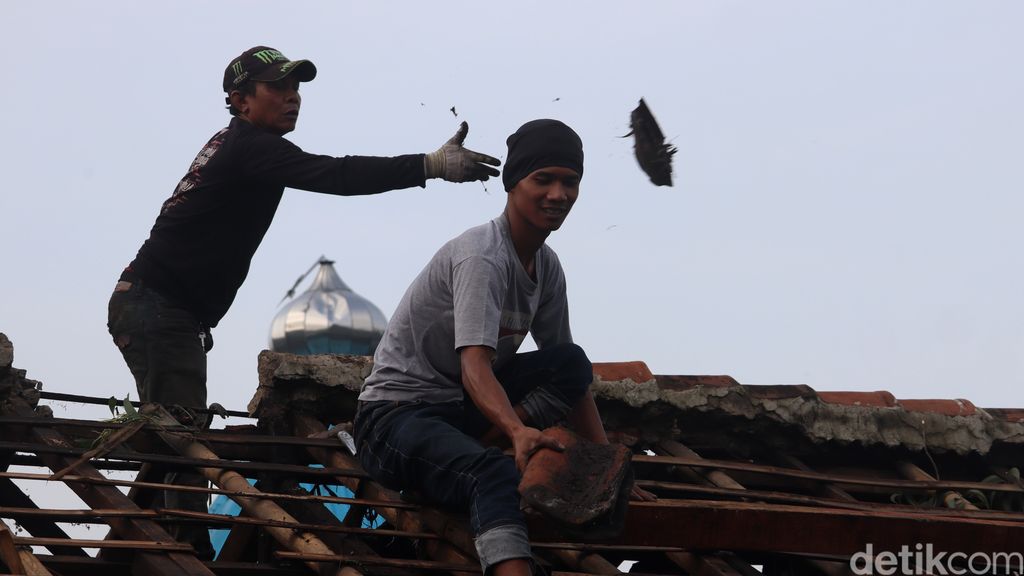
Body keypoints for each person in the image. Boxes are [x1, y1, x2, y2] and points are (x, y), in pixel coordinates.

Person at [106, 45, 499, 558]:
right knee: (183, 439)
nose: (292, 99)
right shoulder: (250, 147)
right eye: (278, 89)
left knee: (175, 437)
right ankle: (186, 551)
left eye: (296, 90)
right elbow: (334, 175)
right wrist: (429, 165)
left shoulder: (245, 145)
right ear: (240, 100)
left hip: (160, 308)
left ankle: (141, 547)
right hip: (159, 309)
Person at [355, 119, 627, 576]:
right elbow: (475, 369)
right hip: (396, 418)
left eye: (570, 182)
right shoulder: (483, 256)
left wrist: (606, 467)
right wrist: (521, 434)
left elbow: (568, 372)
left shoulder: (547, 265)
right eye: (543, 180)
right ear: (512, 183)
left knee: (572, 363)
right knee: (491, 475)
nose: (557, 194)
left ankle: (485, 441)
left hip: (458, 411)